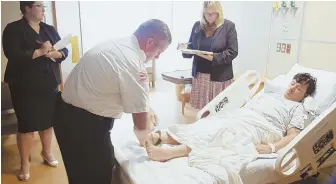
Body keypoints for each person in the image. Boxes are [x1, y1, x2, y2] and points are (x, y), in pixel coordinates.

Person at [53, 19, 172, 184]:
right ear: (150, 41)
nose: (158, 57)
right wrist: (147, 143)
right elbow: (140, 127)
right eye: (160, 51)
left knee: (78, 171)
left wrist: (147, 106)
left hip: (64, 113)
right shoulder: (132, 62)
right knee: (96, 176)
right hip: (84, 124)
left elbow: (131, 91)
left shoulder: (115, 45)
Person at [145, 73, 317, 163]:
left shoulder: (297, 108)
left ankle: (171, 152)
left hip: (263, 128)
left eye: (299, 88)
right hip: (244, 117)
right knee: (209, 124)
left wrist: (271, 148)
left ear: (305, 96)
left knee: (223, 135)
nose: (293, 88)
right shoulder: (270, 95)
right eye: (293, 83)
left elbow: (293, 136)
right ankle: (164, 137)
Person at [2, 1, 68, 181]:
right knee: (26, 125)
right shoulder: (13, 29)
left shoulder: (48, 29)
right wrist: (40, 52)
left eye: (44, 6)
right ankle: (24, 163)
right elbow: (13, 54)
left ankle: (46, 153)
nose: (43, 9)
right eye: (39, 5)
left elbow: (64, 51)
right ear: (27, 8)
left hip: (49, 84)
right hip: (24, 86)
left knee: (48, 122)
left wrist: (56, 54)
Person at [177, 1, 238, 110]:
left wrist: (213, 57)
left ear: (219, 12)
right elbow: (192, 47)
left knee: (218, 111)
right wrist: (184, 48)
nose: (209, 16)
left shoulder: (228, 26)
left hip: (219, 79)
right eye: (206, 13)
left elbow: (233, 51)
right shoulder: (197, 26)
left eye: (213, 13)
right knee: (201, 111)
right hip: (201, 77)